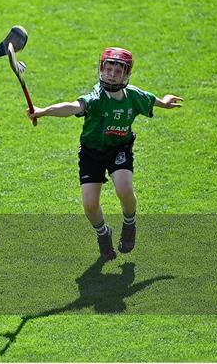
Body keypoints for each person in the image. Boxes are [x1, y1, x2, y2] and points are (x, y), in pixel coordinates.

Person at [27, 47, 183, 262]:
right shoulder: (95, 97)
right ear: (101, 69)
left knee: (125, 189)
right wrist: (44, 111)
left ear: (126, 74)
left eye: (117, 71)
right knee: (90, 206)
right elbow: (72, 107)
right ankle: (103, 234)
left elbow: (149, 99)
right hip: (92, 153)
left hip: (120, 148)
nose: (111, 74)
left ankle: (129, 224)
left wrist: (164, 103)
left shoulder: (133, 96)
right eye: (108, 69)